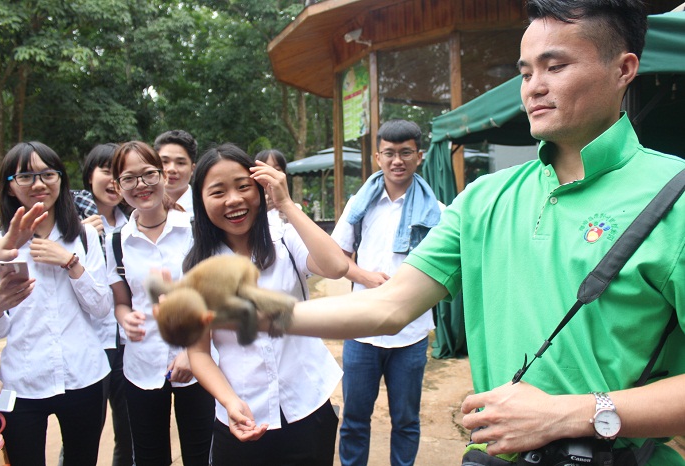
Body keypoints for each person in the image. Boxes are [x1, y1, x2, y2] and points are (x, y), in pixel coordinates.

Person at [249, 1, 685, 464]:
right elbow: (389, 306)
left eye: (555, 66)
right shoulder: (484, 198)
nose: (534, 87)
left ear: (624, 69)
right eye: (524, 72)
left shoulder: (673, 196)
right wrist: (262, 315)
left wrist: (572, 414)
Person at [184, 143, 348, 466]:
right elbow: (199, 353)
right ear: (201, 203)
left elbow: (337, 266)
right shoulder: (197, 270)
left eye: (243, 186)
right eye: (218, 192)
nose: (234, 200)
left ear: (260, 190)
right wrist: (229, 401)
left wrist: (285, 203)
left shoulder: (285, 240)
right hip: (244, 416)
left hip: (307, 405)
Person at [0, 141, 111, 466]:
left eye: (48, 174)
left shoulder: (84, 238)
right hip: (23, 381)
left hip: (84, 375)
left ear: (60, 180)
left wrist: (71, 263)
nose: (39, 184)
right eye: (26, 176)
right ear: (10, 187)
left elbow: (101, 308)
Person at [330, 119, 442, 466]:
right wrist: (363, 275)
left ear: (419, 156)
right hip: (361, 330)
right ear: (377, 156)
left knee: (406, 421)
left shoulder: (436, 211)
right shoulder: (360, 204)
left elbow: (445, 266)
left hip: (409, 332)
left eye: (406, 152)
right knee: (354, 420)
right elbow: (335, 257)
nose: (398, 161)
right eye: (390, 153)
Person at [106, 141, 214, 466]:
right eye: (129, 178)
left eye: (148, 174)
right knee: (150, 455)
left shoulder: (196, 231)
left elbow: (214, 296)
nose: (141, 185)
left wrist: (191, 350)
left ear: (162, 176)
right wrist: (124, 318)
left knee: (201, 453)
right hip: (142, 363)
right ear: (118, 186)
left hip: (198, 362)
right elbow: (122, 301)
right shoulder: (115, 242)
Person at [73, 143, 133, 466]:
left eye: (119, 173)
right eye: (106, 170)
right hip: (89, 343)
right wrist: (82, 233)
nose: (113, 180)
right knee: (83, 435)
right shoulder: (69, 222)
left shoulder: (135, 223)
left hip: (126, 343)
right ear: (89, 174)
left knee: (129, 432)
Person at [154, 130, 197, 216]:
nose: (171, 169)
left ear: (192, 169)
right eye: (164, 161)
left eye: (180, 163)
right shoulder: (139, 206)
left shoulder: (203, 208)